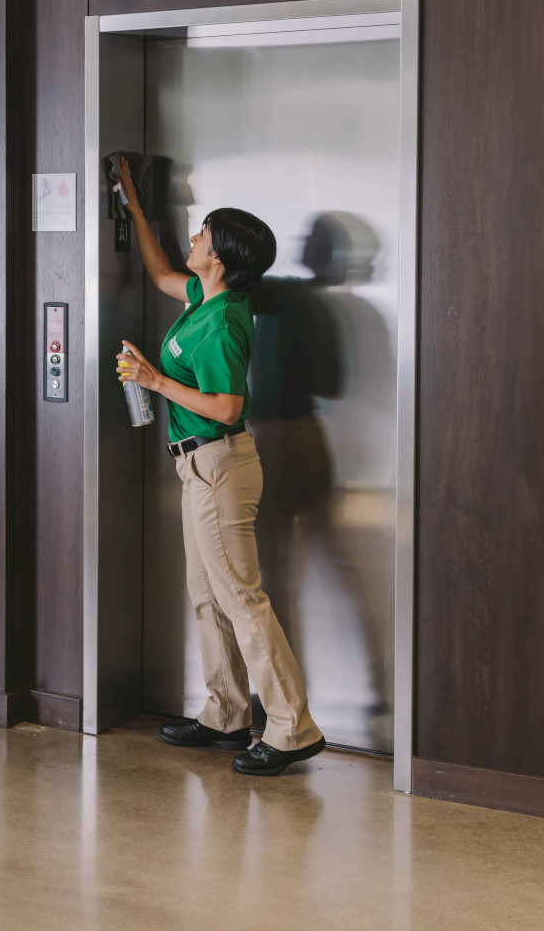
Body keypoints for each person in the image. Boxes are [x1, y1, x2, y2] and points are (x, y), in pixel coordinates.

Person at [113, 156, 325, 776]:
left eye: (203, 233)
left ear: (223, 255)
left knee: (240, 597)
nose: (195, 239)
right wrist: (133, 205)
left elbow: (227, 406)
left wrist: (155, 380)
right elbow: (158, 273)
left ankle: (292, 728)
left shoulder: (227, 320)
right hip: (196, 468)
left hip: (221, 466)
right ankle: (227, 713)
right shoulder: (206, 293)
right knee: (206, 595)